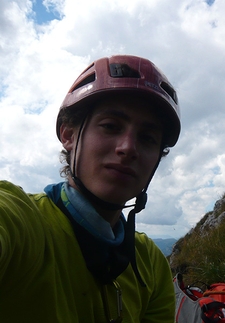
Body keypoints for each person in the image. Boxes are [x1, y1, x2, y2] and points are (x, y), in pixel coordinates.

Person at [0, 55, 180, 322]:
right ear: (68, 135)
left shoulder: (150, 263)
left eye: (147, 138)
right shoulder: (23, 222)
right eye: (110, 126)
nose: (128, 148)